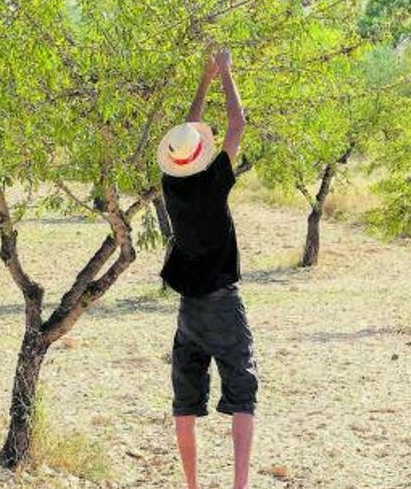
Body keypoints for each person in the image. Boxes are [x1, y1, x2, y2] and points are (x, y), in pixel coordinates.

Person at [156, 47, 256, 489]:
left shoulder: (170, 185)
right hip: (223, 305)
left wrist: (204, 80)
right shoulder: (215, 181)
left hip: (188, 311)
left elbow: (188, 131)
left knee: (185, 399)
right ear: (203, 152)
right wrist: (226, 73)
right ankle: (239, 484)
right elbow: (238, 124)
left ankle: (193, 485)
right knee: (242, 391)